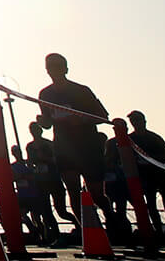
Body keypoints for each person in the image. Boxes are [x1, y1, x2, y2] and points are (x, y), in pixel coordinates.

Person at [38, 53, 124, 237]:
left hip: (87, 147)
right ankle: (87, 232)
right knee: (73, 190)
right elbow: (47, 123)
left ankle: (111, 219)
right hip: (64, 147)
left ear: (66, 69)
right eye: (50, 67)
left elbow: (102, 115)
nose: (54, 71)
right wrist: (43, 121)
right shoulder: (45, 94)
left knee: (96, 193)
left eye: (57, 67)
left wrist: (82, 120)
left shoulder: (82, 91)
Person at [125, 111, 165, 234]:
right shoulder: (131, 139)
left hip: (161, 176)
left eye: (137, 120)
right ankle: (158, 231)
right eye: (134, 121)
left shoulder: (154, 138)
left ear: (144, 121)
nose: (136, 123)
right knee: (151, 206)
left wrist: (151, 158)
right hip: (145, 178)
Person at [27, 118, 76, 226]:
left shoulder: (49, 144)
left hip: (53, 179)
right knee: (46, 211)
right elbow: (30, 163)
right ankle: (54, 234)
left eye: (36, 130)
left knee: (61, 211)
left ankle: (78, 225)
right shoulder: (30, 147)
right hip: (40, 180)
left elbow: (56, 160)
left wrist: (45, 158)